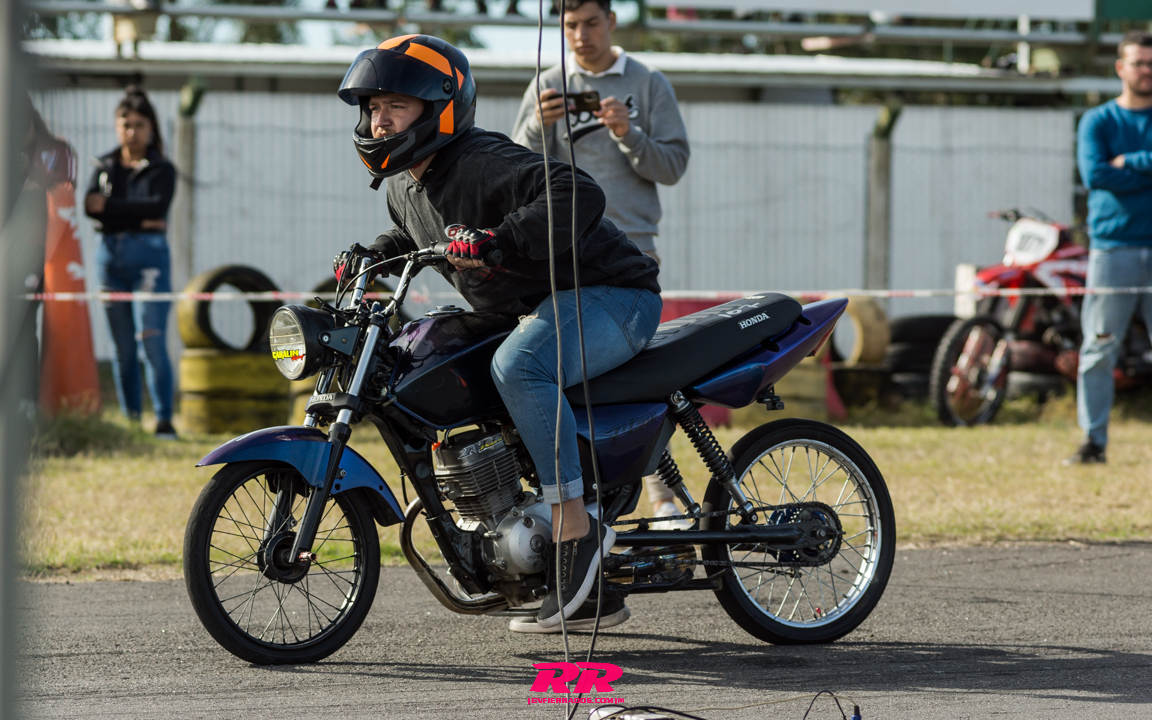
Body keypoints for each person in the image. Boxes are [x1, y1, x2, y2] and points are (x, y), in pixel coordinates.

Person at [339, 35, 662, 630]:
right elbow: (419, 235)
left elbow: (579, 191)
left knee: (519, 366)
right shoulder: (404, 185)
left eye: (396, 107)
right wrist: (374, 254)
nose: (379, 121)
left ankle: (575, 530)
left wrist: (502, 239)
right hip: (526, 309)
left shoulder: (481, 160)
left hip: (611, 295)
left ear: (440, 109)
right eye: (373, 108)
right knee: (430, 355)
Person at [510, 0, 691, 603]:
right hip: (560, 260)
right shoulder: (547, 83)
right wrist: (539, 127)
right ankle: (581, 510)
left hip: (629, 257)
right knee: (555, 380)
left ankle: (657, 501)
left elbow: (674, 165)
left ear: (612, 22)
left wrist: (626, 132)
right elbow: (512, 169)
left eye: (590, 23)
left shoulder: (647, 82)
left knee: (630, 386)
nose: (580, 36)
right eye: (569, 26)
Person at [1068, 30, 1152, 465]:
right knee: (1099, 349)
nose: (1146, 71)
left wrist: (1131, 162)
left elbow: (1114, 172)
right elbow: (1096, 175)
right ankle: (1093, 442)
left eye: (1151, 64)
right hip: (1112, 251)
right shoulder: (1098, 121)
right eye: (1139, 63)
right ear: (1121, 67)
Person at [84, 87, 178, 439]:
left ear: (151, 127)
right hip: (108, 260)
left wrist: (110, 208)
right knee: (122, 347)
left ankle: (164, 421)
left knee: (150, 340)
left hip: (149, 261)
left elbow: (157, 207)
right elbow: (88, 206)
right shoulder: (103, 166)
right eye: (126, 123)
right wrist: (136, 215)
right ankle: (131, 422)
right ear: (116, 126)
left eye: (139, 124)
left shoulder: (162, 169)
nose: (132, 131)